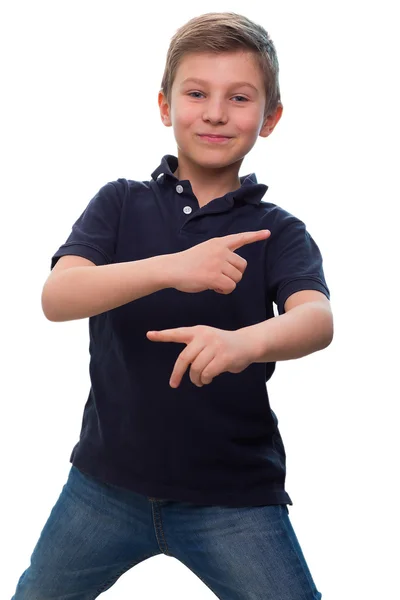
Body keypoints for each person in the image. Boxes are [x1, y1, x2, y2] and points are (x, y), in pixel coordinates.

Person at [11, 11, 333, 600]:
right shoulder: (119, 203)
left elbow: (317, 320)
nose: (214, 112)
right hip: (103, 488)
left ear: (270, 118)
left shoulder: (277, 231)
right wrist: (172, 269)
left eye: (239, 97)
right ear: (165, 106)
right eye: (196, 93)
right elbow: (58, 298)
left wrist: (247, 343)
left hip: (233, 498)